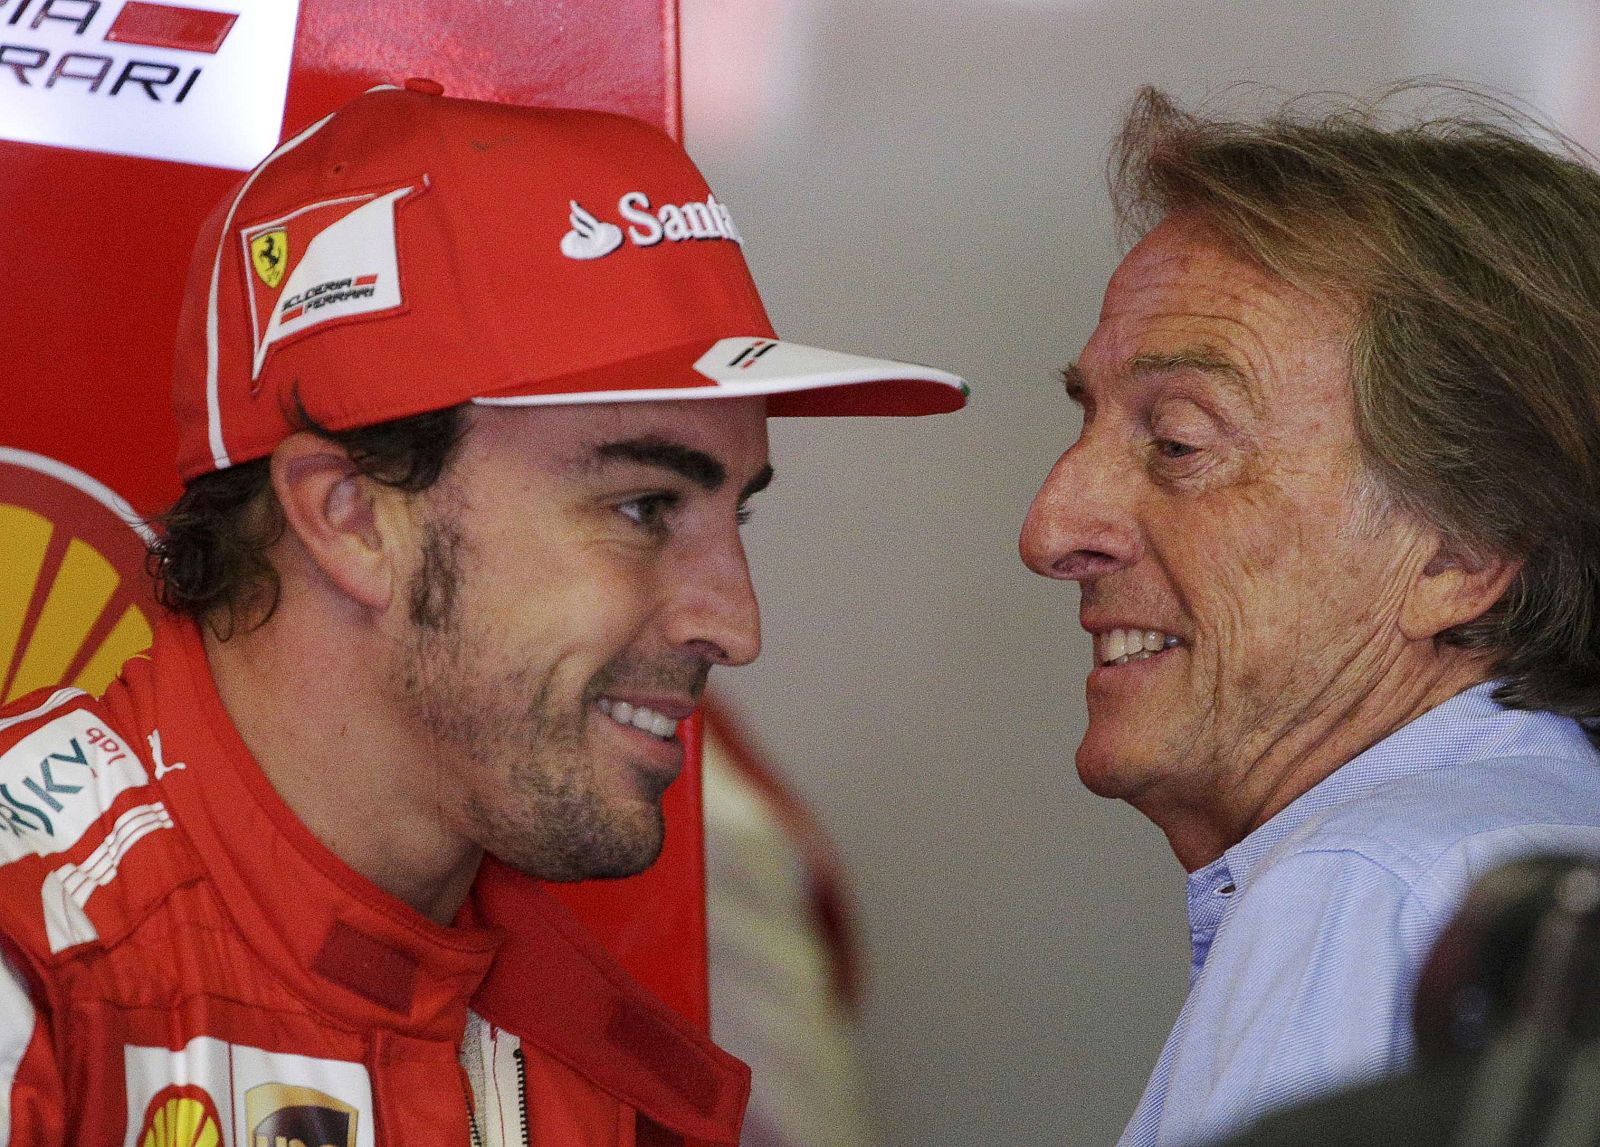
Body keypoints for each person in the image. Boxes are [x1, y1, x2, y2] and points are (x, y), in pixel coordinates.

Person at [0, 81, 967, 1147]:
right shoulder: (34, 969)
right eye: (644, 506)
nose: (735, 626)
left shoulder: (616, 1075)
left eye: (735, 513)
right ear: (350, 515)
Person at [1019, 85, 1600, 1147]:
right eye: (1087, 422)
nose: (1051, 527)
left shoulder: (1373, 890)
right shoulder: (1537, 833)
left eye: (1178, 442)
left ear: (1462, 550)